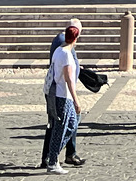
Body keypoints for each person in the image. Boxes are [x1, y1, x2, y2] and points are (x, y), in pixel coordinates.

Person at [43, 19, 84, 170]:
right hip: (62, 95)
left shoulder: (59, 50)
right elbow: (68, 79)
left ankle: (53, 155)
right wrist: (76, 100)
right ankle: (53, 160)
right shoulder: (65, 54)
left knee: (72, 124)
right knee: (61, 127)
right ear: (76, 37)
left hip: (60, 94)